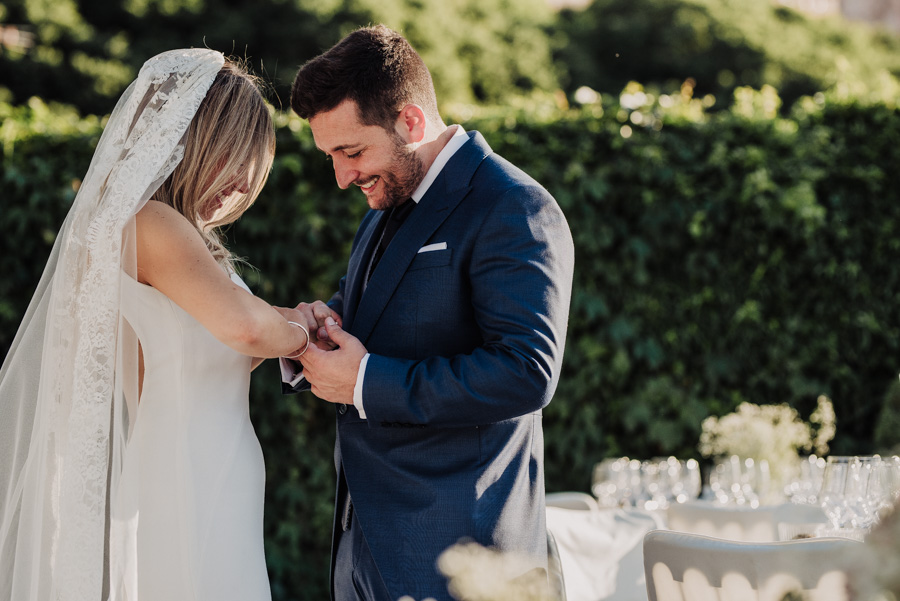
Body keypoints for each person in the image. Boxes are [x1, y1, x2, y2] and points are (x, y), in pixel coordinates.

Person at [0, 49, 322, 601]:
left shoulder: (168, 232)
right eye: (238, 158)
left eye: (254, 170)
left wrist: (290, 318)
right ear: (196, 143)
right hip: (184, 470)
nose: (245, 185)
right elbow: (243, 329)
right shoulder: (150, 222)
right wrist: (305, 336)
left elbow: (216, 343)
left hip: (209, 467)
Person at [285, 25, 575, 601]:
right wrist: (313, 331)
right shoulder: (383, 202)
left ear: (411, 122)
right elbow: (366, 313)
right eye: (331, 157)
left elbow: (526, 370)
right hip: (363, 545)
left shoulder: (514, 205)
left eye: (351, 151)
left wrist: (367, 381)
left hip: (460, 552)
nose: (342, 177)